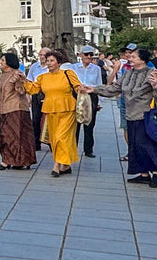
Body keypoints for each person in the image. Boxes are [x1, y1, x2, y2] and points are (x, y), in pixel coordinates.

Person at [87, 45, 157, 187]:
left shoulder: (152, 73)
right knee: (134, 145)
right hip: (130, 113)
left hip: (145, 115)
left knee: (147, 144)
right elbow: (116, 88)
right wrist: (94, 89)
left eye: (133, 56)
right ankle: (143, 173)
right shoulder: (128, 73)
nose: (130, 58)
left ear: (142, 59)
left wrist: (155, 86)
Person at [25, 49, 83, 177]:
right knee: (55, 138)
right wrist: (23, 81)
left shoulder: (68, 73)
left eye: (52, 61)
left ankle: (57, 164)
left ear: (58, 62)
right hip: (50, 110)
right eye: (47, 61)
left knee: (61, 137)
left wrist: (85, 91)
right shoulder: (42, 77)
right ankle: (66, 165)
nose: (49, 63)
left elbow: (78, 87)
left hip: (68, 109)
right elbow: (33, 89)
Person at [0, 52, 36, 170]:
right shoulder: (1, 76)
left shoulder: (17, 74)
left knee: (18, 136)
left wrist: (21, 81)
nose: (1, 62)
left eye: (3, 60)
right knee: (5, 136)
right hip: (4, 110)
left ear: (9, 62)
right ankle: (8, 159)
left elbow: (22, 91)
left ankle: (21, 160)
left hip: (17, 109)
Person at [71, 45, 104, 158]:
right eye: (86, 55)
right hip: (77, 95)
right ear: (81, 55)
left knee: (90, 123)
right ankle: (73, 147)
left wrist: (100, 101)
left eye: (91, 55)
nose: (89, 57)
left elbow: (99, 84)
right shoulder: (74, 68)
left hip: (91, 94)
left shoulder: (96, 69)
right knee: (75, 123)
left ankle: (88, 149)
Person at [25, 48, 51, 149]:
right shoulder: (34, 67)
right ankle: (36, 142)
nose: (41, 57)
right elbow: (29, 80)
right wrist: (28, 95)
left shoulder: (51, 67)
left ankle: (50, 142)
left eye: (43, 55)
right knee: (36, 119)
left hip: (48, 93)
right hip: (36, 93)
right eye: (40, 55)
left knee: (48, 119)